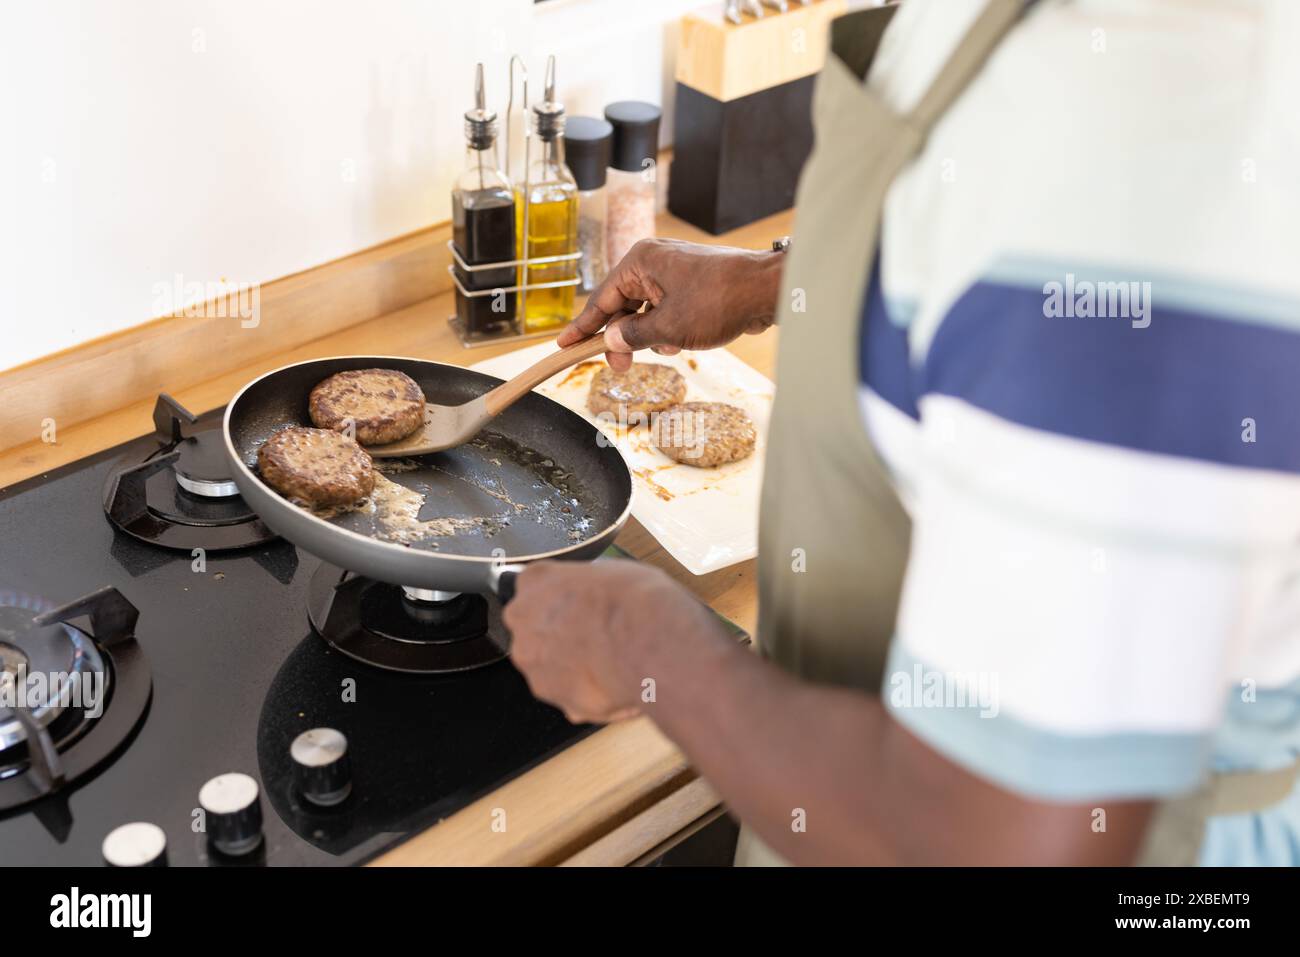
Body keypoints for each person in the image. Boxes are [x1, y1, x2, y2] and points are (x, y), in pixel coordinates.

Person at [502, 0, 1300, 865]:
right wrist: (773, 284)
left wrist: (661, 654)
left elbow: (1008, 842)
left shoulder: (1146, 104)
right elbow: (978, 248)